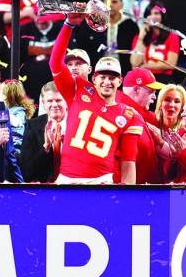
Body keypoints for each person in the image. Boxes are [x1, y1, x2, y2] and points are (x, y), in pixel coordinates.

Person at [50, 16, 143, 184]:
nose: (107, 82)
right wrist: (68, 24)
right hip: (67, 179)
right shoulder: (77, 90)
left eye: (112, 78)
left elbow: (128, 162)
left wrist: (128, 194)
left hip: (101, 182)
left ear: (120, 81)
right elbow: (55, 62)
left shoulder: (129, 115)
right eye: (103, 77)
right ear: (94, 78)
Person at [19, 82, 66, 183]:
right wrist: (46, 147)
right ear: (43, 104)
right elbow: (26, 172)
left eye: (58, 100)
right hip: (44, 188)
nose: (54, 105)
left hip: (73, 187)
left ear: (66, 101)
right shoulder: (32, 126)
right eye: (49, 101)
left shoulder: (78, 124)